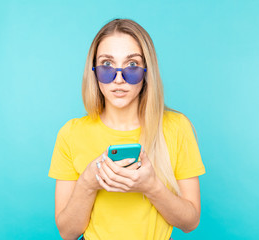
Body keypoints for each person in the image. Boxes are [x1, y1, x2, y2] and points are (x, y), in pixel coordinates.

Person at [48, 18, 206, 240]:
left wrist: (151, 187)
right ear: (93, 71)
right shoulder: (71, 134)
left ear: (146, 72)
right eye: (107, 65)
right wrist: (88, 183)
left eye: (131, 65)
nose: (119, 79)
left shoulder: (177, 128)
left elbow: (190, 222)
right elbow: (67, 232)